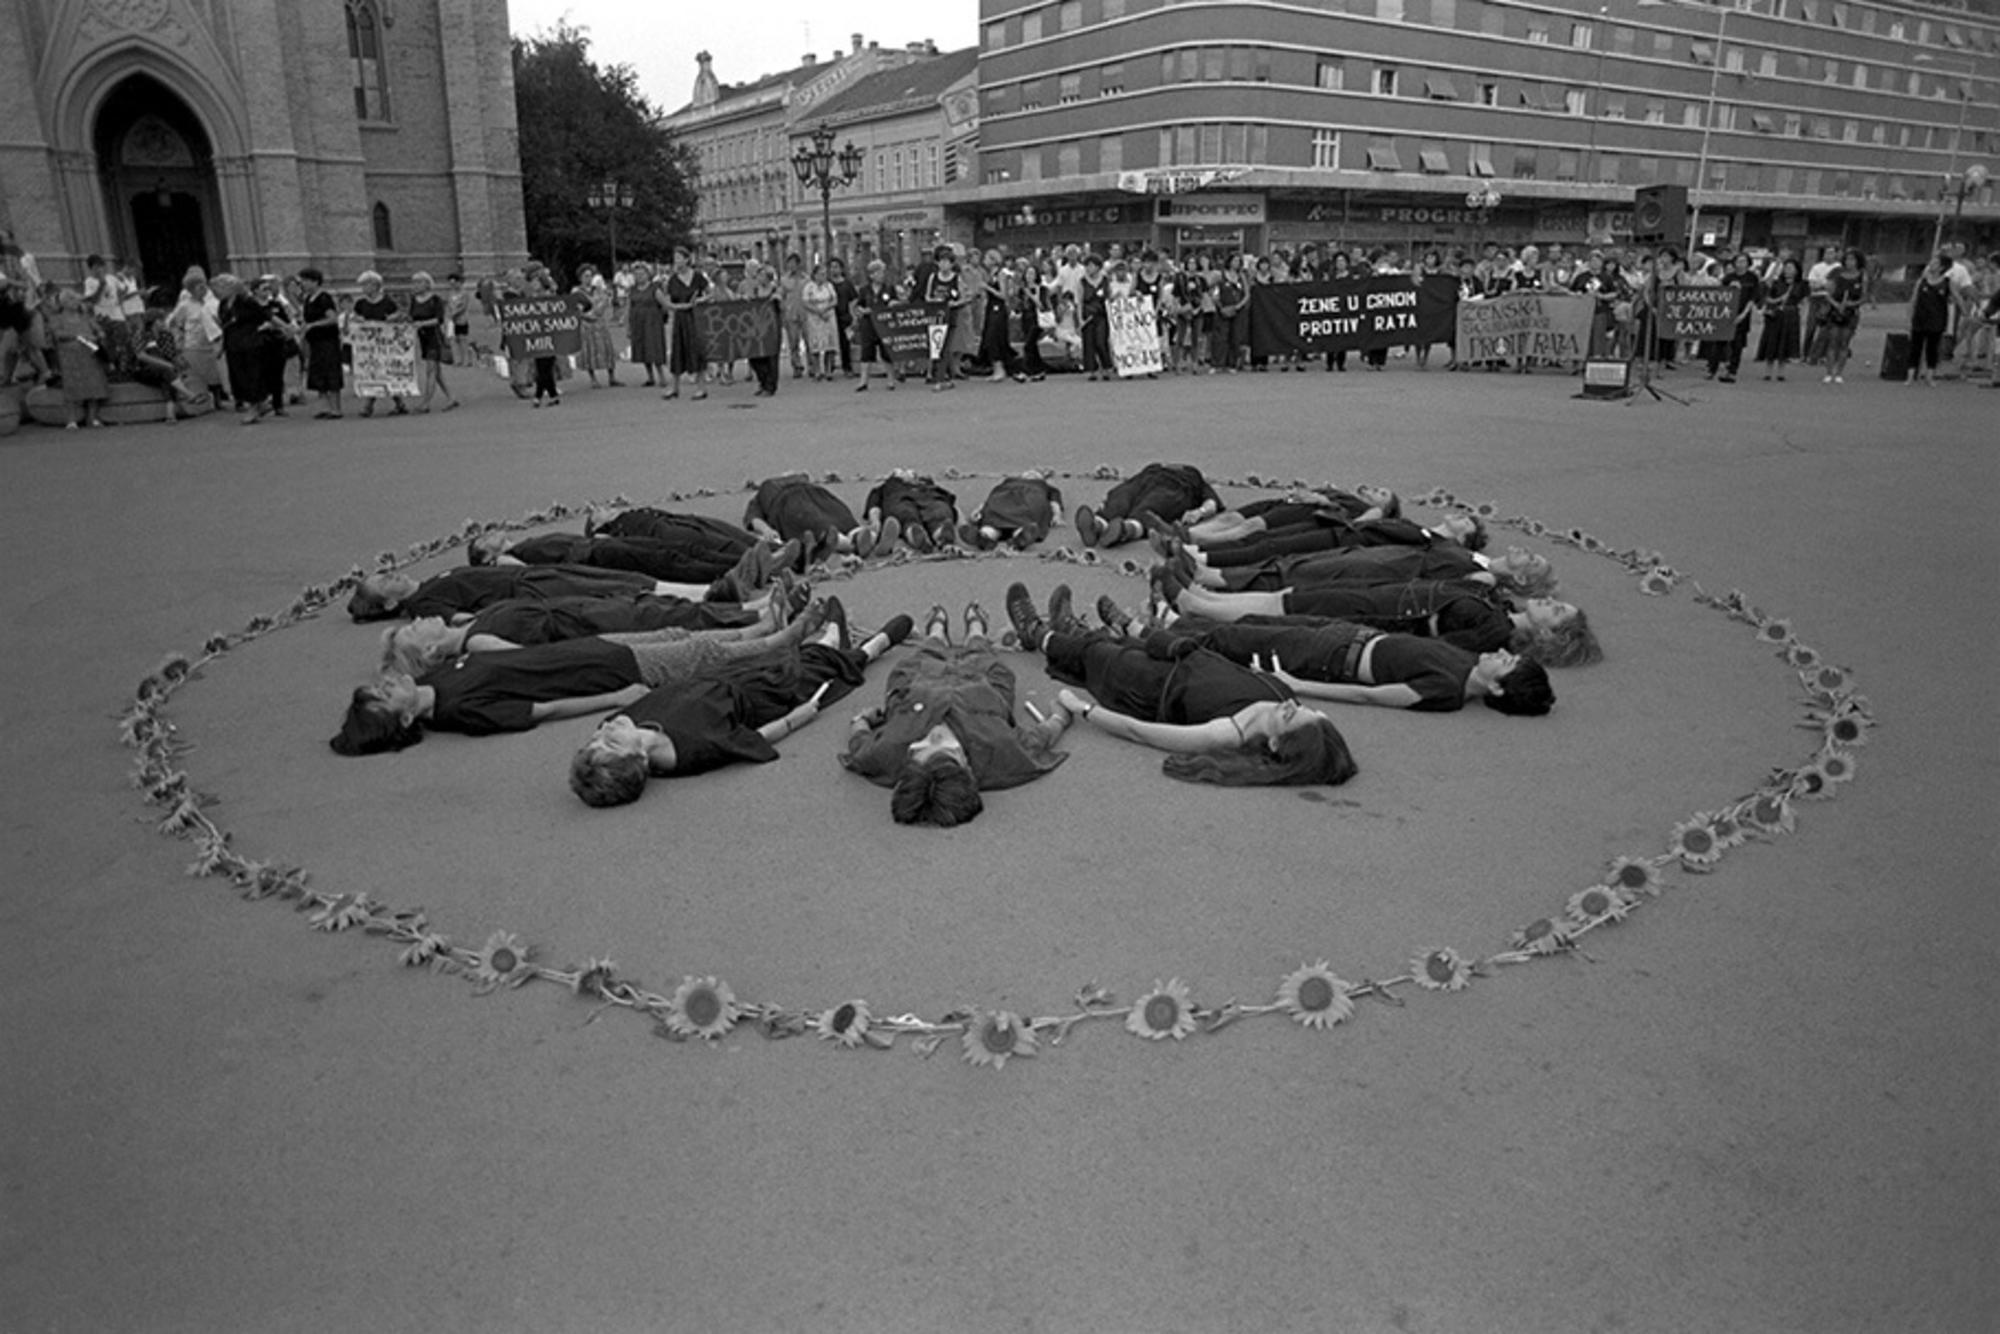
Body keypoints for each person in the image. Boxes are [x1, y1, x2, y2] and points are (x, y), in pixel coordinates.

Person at [329, 598, 837, 755]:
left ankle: (762, 627)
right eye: (380, 697)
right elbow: (542, 710)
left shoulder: (442, 674)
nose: (386, 684)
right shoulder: (459, 711)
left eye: (379, 684)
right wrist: (619, 696)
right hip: (600, 674)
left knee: (678, 634)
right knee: (696, 655)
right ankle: (781, 641)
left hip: (587, 649)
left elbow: (504, 653)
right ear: (397, 723)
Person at [1005, 583, 1358, 787]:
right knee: (1113, 645)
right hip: (1174, 657)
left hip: (1146, 687)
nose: (1293, 706)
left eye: (1292, 717)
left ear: (1278, 742)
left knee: (1098, 654)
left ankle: (1040, 635)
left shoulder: (1227, 734)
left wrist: (1082, 708)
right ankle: (1072, 630)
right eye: (1308, 709)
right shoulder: (1283, 693)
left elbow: (1140, 731)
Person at [571, 611, 915, 807]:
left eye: (596, 737)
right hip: (760, 698)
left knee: (777, 656)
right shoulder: (694, 749)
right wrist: (795, 720)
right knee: (813, 671)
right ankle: (871, 647)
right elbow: (754, 739)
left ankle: (829, 639)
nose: (607, 729)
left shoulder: (621, 721)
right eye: (612, 742)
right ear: (640, 761)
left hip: (716, 679)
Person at [842, 603, 1068, 825]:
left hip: (919, 685)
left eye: (922, 748)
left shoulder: (889, 750)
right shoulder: (1000, 748)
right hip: (983, 687)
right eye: (947, 750)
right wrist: (1060, 718)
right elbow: (1038, 741)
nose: (935, 736)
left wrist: (861, 720)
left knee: (923, 656)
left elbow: (859, 746)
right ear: (968, 768)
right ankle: (977, 630)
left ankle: (936, 632)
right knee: (986, 659)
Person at [1137, 614, 1554, 715]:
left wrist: (1294, 683)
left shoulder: (1447, 691)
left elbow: (1368, 695)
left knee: (1237, 641)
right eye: (1509, 653)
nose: (1501, 654)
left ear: (1497, 689)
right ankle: (1170, 621)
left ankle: (1147, 634)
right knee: (1250, 625)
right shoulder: (1468, 659)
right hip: (1350, 634)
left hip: (1330, 659)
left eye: (1507, 663)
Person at [1165, 576, 1601, 667]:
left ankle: (1197, 607)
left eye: (1557, 612)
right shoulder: (1500, 602)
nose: (1550, 602)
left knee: (1289, 608)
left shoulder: (1496, 632)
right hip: (1387, 593)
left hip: (1385, 615)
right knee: (1293, 595)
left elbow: (1443, 650)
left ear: (1548, 634)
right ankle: (1207, 599)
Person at [381, 591, 781, 678]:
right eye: (415, 629)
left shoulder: (466, 623)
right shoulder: (478, 643)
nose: (421, 620)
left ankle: (753, 619)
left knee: (662, 613)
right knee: (665, 622)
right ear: (431, 649)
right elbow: (537, 660)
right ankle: (753, 623)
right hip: (583, 630)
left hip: (573, 608)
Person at [346, 561, 767, 623]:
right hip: (529, 591)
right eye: (386, 583)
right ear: (389, 602)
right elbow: (457, 620)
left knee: (619, 579)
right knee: (618, 591)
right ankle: (713, 599)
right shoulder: (423, 603)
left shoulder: (430, 581)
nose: (394, 576)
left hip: (532, 575)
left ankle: (705, 590)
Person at [468, 526, 791, 593]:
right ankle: (741, 572)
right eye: (485, 540)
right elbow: (535, 574)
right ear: (489, 557)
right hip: (597, 556)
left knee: (672, 554)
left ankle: (752, 565)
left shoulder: (522, 544)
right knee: (668, 562)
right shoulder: (511, 558)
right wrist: (503, 564)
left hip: (599, 546)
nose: (490, 533)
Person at [1073, 462, 1222, 549]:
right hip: (1160, 482)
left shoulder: (1198, 481)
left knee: (1132, 502)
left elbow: (1212, 504)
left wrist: (1199, 512)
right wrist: (1200, 512)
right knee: (1137, 504)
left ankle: (1106, 525)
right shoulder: (1196, 478)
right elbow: (1212, 503)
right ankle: (1115, 527)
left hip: (1159, 481)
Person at [742, 472, 882, 563]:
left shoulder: (774, 485)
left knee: (838, 515)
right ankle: (852, 542)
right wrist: (766, 529)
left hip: (813, 495)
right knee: (813, 521)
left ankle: (858, 537)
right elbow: (753, 517)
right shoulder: (762, 494)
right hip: (789, 502)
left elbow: (753, 517)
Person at [48, 289, 110, 429]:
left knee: (94, 383)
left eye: (76, 299)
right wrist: (78, 335)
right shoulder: (57, 318)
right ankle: (72, 420)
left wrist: (99, 335)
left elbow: (99, 330)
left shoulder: (85, 317)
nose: (76, 303)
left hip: (89, 353)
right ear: (64, 303)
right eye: (72, 300)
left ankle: (93, 418)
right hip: (70, 356)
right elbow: (58, 335)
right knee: (72, 385)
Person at [958, 470, 1064, 550]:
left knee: (1024, 518)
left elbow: (1054, 502)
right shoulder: (1007, 482)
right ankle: (984, 537)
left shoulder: (1045, 487)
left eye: (1036, 474)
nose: (1031, 473)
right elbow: (991, 498)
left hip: (1028, 501)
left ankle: (1020, 537)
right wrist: (978, 511)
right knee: (993, 517)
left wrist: (1057, 515)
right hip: (1002, 500)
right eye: (1028, 473)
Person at [860, 469, 958, 553]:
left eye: (909, 472)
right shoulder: (887, 486)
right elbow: (873, 505)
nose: (905, 472)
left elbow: (948, 501)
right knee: (905, 514)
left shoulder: (927, 484)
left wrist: (963, 523)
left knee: (940, 510)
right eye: (899, 472)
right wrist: (875, 521)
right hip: (898, 499)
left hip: (930, 498)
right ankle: (914, 533)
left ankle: (941, 533)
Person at [295, 268, 344, 418]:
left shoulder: (324, 298)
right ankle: (325, 407)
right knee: (318, 374)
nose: (303, 284)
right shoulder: (307, 299)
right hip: (314, 342)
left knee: (331, 373)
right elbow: (306, 319)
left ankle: (336, 408)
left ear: (315, 281)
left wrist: (313, 325)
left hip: (327, 341)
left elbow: (332, 318)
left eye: (306, 281)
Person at [662, 247, 709, 400]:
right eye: (675, 258)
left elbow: (710, 293)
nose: (676, 261)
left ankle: (701, 388)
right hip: (680, 318)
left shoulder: (698, 277)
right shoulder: (673, 280)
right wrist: (680, 307)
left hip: (695, 317)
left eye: (679, 258)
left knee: (697, 350)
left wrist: (699, 301)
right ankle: (674, 387)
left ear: (687, 259)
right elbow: (668, 301)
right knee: (678, 350)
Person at [1754, 257, 1807, 381]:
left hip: (1791, 314)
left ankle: (1781, 372)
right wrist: (1779, 300)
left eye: (1791, 268)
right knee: (1772, 341)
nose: (1788, 270)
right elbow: (1767, 296)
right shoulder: (1777, 283)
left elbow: (1803, 301)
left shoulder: (1802, 284)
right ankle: (1768, 371)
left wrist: (1800, 311)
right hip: (1776, 314)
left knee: (1786, 342)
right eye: (1786, 268)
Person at [850, 258, 898, 393]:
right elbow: (859, 305)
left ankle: (891, 380)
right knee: (866, 351)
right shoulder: (864, 290)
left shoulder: (889, 288)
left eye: (883, 272)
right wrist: (861, 311)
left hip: (884, 324)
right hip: (868, 323)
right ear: (872, 275)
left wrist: (893, 304)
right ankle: (863, 381)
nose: (882, 275)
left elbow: (895, 303)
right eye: (879, 272)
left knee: (886, 351)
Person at [1818, 249, 1865, 385]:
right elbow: (1828, 293)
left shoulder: (1862, 276)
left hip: (1851, 313)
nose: (1850, 262)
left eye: (1853, 259)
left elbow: (1864, 296)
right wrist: (1836, 305)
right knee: (1833, 341)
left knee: (1844, 343)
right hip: (1835, 311)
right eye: (1848, 259)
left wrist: (1852, 304)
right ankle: (1829, 372)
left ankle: (1838, 373)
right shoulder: (1837, 274)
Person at [1907, 253, 1954, 387]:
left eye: (1935, 263)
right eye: (1931, 263)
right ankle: (1910, 375)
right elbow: (1914, 299)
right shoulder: (1921, 281)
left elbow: (1956, 298)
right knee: (1915, 347)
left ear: (1941, 268)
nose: (1931, 265)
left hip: (1936, 320)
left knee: (1932, 349)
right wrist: (1910, 315)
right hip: (1920, 318)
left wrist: (1967, 311)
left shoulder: (1947, 283)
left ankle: (1929, 375)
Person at [572, 265, 621, 389]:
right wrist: (585, 315)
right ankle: (593, 378)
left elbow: (605, 302)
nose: (588, 279)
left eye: (590, 276)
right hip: (586, 323)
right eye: (585, 276)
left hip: (600, 322)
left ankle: (612, 377)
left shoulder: (598, 290)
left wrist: (599, 309)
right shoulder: (576, 292)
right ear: (580, 278)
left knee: (607, 348)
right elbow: (575, 309)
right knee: (589, 350)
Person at [626, 262, 668, 386]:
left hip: (652, 323)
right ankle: (650, 377)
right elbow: (629, 308)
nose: (639, 276)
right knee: (642, 348)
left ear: (648, 274)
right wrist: (628, 326)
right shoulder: (632, 290)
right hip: (638, 322)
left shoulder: (655, 288)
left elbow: (664, 305)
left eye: (642, 274)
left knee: (654, 348)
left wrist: (661, 317)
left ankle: (662, 376)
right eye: (636, 274)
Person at [1078, 253, 1113, 382]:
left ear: (1098, 267)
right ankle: (1091, 370)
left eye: (1091, 266)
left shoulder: (1105, 280)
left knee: (1101, 342)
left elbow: (1109, 297)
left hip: (1101, 315)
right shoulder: (1082, 281)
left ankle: (1106, 367)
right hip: (1087, 315)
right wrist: (1080, 319)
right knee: (1088, 343)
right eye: (1087, 266)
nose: (1088, 268)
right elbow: (1079, 302)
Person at [801, 261, 839, 381]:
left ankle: (828, 370)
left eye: (824, 274)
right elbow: (805, 302)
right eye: (821, 274)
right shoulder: (809, 287)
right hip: (814, 316)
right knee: (816, 344)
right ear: (815, 275)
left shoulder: (829, 286)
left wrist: (827, 309)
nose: (823, 276)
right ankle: (817, 370)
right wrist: (818, 312)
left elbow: (834, 300)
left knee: (829, 343)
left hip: (828, 315)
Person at [779, 253, 809, 379]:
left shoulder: (806, 279)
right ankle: (797, 367)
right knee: (793, 342)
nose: (791, 266)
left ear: (798, 264)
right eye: (789, 263)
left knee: (809, 341)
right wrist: (783, 310)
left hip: (805, 313)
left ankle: (812, 366)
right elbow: (781, 296)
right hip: (791, 314)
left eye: (793, 263)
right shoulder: (784, 280)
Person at [445, 272, 473, 367]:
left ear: (459, 282)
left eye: (454, 283)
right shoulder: (450, 293)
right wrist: (449, 315)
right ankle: (457, 360)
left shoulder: (464, 293)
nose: (452, 285)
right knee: (453, 340)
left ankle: (467, 360)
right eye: (451, 284)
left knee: (463, 339)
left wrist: (455, 313)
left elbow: (463, 306)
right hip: (452, 321)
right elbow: (448, 305)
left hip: (462, 319)